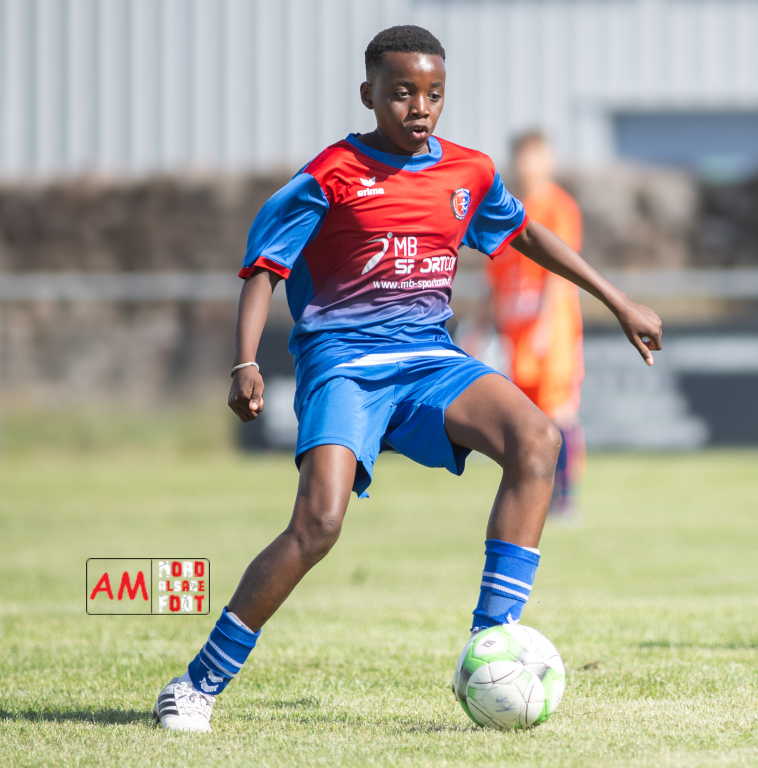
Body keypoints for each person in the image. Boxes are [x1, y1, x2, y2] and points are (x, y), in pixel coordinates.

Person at [152, 26, 662, 732]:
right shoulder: (329, 174)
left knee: (538, 439)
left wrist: (619, 300)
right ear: (368, 94)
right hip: (345, 366)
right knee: (318, 524)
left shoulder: (468, 173)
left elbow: (525, 234)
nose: (420, 107)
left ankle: (491, 648)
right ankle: (196, 684)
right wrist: (245, 363)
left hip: (428, 360)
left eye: (434, 93)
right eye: (402, 92)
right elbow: (264, 267)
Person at [484, 131, 586, 525]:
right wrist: (484, 323)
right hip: (515, 332)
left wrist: (545, 325)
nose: (527, 166)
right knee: (525, 419)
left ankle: (566, 498)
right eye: (522, 157)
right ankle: (531, 496)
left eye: (535, 157)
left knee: (559, 410)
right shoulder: (508, 209)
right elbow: (497, 275)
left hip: (552, 332)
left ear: (548, 161)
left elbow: (559, 273)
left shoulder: (558, 207)